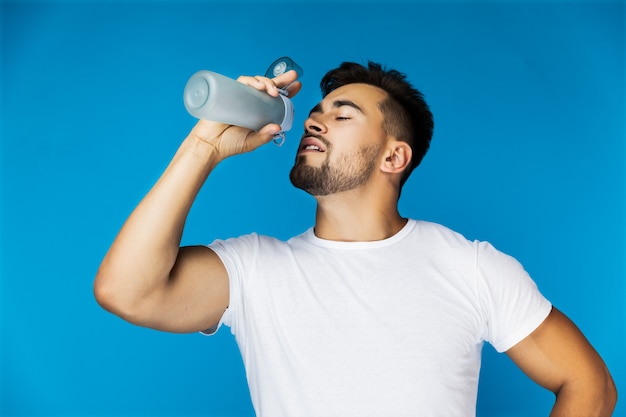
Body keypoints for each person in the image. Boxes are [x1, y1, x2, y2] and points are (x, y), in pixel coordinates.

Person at [94, 61, 617, 416]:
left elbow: (590, 385)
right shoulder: (254, 269)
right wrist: (204, 144)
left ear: (394, 156)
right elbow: (126, 291)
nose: (315, 123)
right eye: (316, 115)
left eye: (342, 116)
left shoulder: (471, 267)